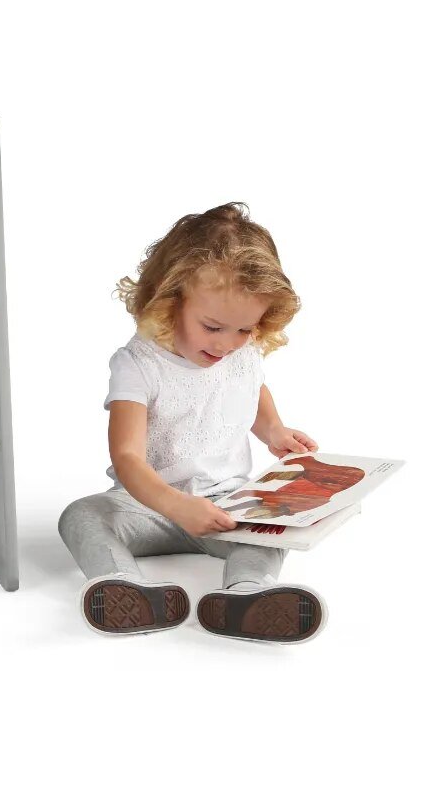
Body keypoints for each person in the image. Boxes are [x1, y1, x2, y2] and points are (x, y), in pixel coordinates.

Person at [58, 203, 326, 643]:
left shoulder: (242, 349)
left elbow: (250, 386)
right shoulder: (138, 363)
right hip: (146, 506)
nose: (227, 344)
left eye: (244, 330)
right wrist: (176, 506)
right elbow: (126, 456)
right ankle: (122, 583)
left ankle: (246, 594)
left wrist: (274, 429)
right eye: (213, 326)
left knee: (269, 533)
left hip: (227, 506)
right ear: (169, 300)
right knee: (82, 515)